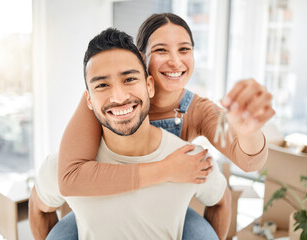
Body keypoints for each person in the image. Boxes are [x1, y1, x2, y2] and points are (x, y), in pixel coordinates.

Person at [56, 13, 274, 240]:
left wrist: (250, 130)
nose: (175, 61)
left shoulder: (198, 110)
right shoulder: (113, 99)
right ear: (140, 57)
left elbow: (250, 161)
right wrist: (166, 169)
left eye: (184, 49)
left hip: (167, 211)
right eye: (161, 50)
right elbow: (71, 177)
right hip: (107, 199)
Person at [29, 27, 228, 240]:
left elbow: (221, 201)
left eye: (129, 79)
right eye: (102, 85)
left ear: (149, 86)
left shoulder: (190, 161)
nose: (118, 96)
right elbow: (39, 208)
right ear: (89, 100)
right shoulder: (62, 168)